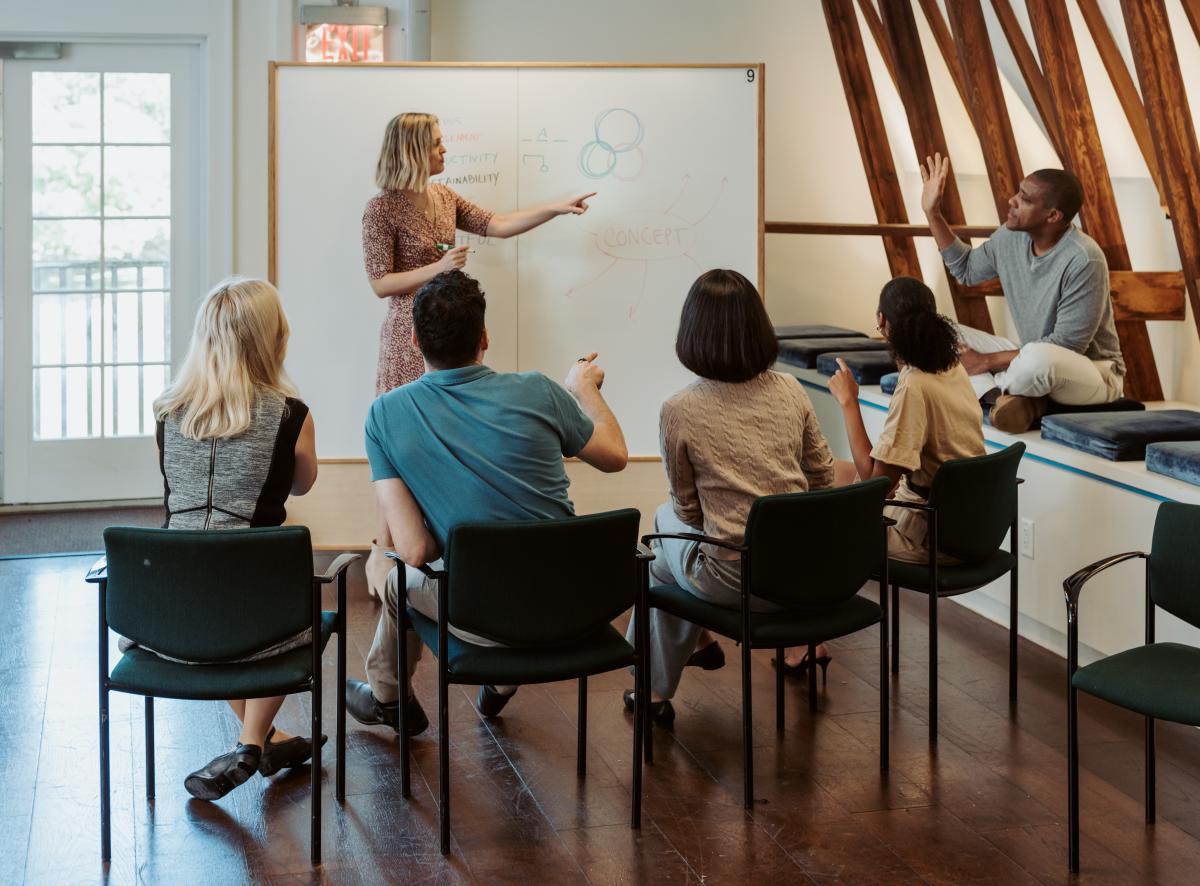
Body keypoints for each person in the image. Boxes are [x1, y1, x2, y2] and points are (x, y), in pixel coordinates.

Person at [344, 269, 627, 735]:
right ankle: (499, 682)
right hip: (575, 605)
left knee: (398, 579)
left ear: (414, 340)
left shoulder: (386, 414)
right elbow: (615, 456)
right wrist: (586, 390)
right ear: (486, 338)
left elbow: (415, 552)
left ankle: (387, 697)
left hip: (482, 619)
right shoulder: (540, 389)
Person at [361, 112, 597, 599]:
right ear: (412, 151)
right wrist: (438, 268)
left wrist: (555, 207)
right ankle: (387, 569)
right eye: (438, 145)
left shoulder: (445, 197)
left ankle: (431, 567)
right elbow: (380, 283)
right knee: (400, 467)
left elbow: (497, 224)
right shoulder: (379, 210)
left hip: (445, 334)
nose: (445, 152)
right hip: (412, 339)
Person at [623, 269, 838, 726]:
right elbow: (822, 478)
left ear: (692, 332)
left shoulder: (679, 409)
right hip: (804, 576)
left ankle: (658, 685)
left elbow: (687, 511)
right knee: (663, 553)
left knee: (659, 541)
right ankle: (672, 669)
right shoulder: (791, 390)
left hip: (737, 584)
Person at [150, 277, 320, 800]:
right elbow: (303, 483)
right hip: (255, 618)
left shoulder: (166, 412)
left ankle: (269, 740)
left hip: (171, 617)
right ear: (273, 339)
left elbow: (173, 489)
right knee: (286, 610)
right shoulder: (290, 413)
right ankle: (251, 746)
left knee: (229, 606)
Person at [921, 153, 1124, 432]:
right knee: (935, 333)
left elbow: (1066, 346)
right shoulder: (1009, 236)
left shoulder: (1084, 259)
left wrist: (986, 361)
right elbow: (966, 269)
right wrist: (933, 213)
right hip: (1028, 359)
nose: (1012, 201)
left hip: (1090, 373)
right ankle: (1006, 400)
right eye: (1018, 191)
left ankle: (1005, 395)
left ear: (1053, 215)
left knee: (1039, 360)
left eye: (1025, 199)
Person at [828, 276, 985, 564]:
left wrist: (849, 402)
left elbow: (875, 487)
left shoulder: (915, 384)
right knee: (828, 472)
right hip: (970, 525)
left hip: (927, 534)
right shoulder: (953, 368)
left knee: (815, 512)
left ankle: (818, 603)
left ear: (882, 320)